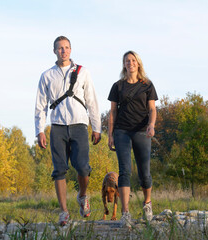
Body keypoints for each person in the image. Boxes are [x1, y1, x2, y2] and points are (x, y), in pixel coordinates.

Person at [35, 36, 102, 226]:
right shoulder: (47, 76)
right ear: (54, 51)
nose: (63, 51)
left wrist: (96, 127)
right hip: (57, 127)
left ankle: (82, 196)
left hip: (79, 124)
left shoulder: (83, 72)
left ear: (71, 50)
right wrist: (39, 130)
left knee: (82, 167)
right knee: (59, 170)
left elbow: (92, 101)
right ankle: (64, 211)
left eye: (66, 48)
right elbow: (40, 106)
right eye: (59, 48)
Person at [107, 50, 158, 227]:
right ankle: (125, 213)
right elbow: (112, 112)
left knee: (144, 173)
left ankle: (147, 203)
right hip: (122, 131)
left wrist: (151, 125)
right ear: (124, 64)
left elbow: (152, 109)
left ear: (138, 63)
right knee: (124, 171)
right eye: (127, 61)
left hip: (142, 131)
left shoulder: (147, 85)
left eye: (133, 60)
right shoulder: (118, 86)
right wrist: (110, 134)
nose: (130, 63)